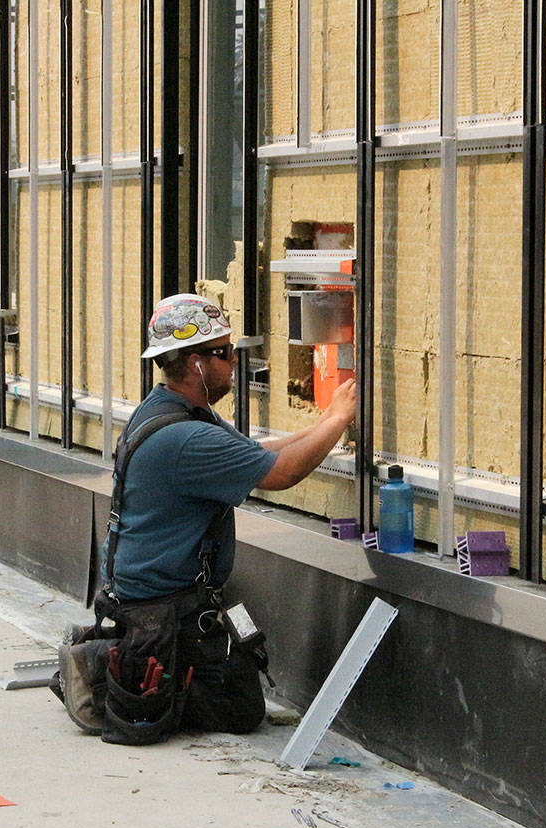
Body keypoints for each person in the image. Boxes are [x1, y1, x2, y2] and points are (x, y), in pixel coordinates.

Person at [57, 292, 357, 745]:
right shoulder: (186, 437)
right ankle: (112, 668)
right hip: (163, 610)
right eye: (225, 353)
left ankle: (127, 661)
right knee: (240, 711)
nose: (234, 363)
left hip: (148, 598)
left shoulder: (167, 411)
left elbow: (255, 453)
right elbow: (282, 473)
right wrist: (339, 421)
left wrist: (323, 423)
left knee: (235, 687)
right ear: (197, 362)